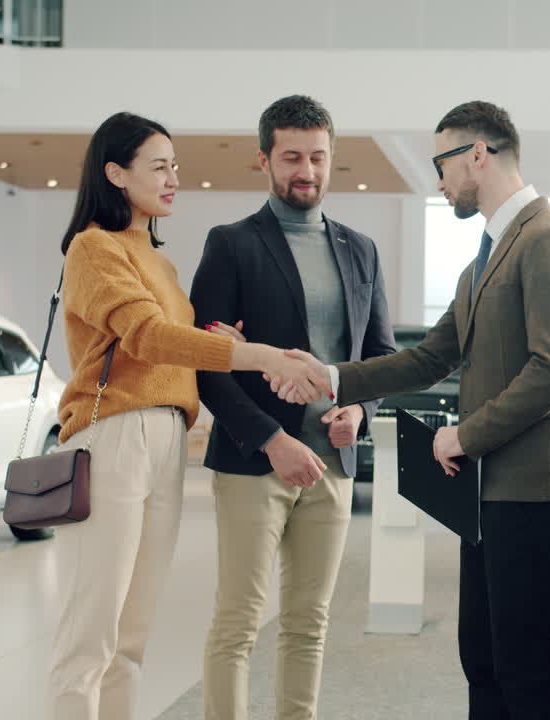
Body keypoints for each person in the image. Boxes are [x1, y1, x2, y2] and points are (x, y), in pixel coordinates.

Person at [275, 100, 550, 720]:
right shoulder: (485, 258)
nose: (437, 181)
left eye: (441, 163)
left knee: (525, 667)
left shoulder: (547, 240)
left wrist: (464, 437)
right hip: (490, 489)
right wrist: (330, 376)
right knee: (483, 657)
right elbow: (429, 358)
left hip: (533, 485)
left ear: (480, 154)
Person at [47, 111, 329, 720]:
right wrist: (256, 354)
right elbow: (149, 338)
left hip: (170, 435)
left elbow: (185, 342)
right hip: (115, 435)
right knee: (90, 634)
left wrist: (223, 339)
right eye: (159, 166)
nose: (174, 178)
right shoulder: (94, 248)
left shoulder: (162, 264)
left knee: (132, 636)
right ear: (115, 173)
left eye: (176, 165)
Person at [191, 95, 397, 720]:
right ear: (264, 160)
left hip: (332, 463)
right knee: (239, 622)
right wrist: (273, 440)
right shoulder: (230, 244)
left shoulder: (361, 249)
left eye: (317, 157)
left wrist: (357, 411)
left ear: (333, 159)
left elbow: (380, 356)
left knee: (310, 622)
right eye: (291, 158)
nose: (305, 170)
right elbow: (206, 363)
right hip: (257, 461)